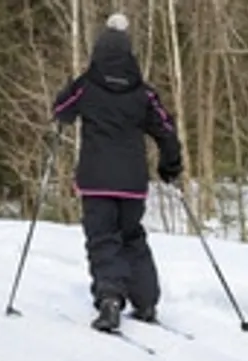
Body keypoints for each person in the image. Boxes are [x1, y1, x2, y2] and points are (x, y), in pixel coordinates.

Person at [52, 13, 184, 333]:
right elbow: (165, 129)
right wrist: (171, 165)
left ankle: (110, 298)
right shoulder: (144, 93)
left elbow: (60, 110)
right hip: (132, 182)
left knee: (103, 239)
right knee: (132, 237)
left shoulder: (86, 86)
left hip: (96, 180)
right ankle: (146, 300)